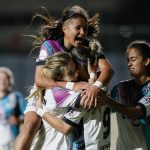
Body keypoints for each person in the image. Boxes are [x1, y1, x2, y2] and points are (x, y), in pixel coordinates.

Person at [13, 5, 114, 150]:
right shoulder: (49, 45)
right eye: (78, 28)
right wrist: (71, 85)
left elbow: (108, 70)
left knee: (67, 132)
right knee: (29, 127)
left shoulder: (87, 46)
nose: (83, 32)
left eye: (85, 28)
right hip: (47, 93)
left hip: (73, 95)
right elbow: (39, 80)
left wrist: (95, 87)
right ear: (65, 28)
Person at [99, 40, 150, 150]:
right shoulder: (120, 88)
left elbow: (135, 113)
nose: (129, 64)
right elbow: (102, 105)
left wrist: (107, 100)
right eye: (128, 60)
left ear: (146, 61)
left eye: (133, 59)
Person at [0, 67, 27, 150]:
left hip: (11, 140)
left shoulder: (16, 96)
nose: (3, 82)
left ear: (10, 81)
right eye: (0, 78)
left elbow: (29, 115)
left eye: (6, 79)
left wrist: (18, 120)